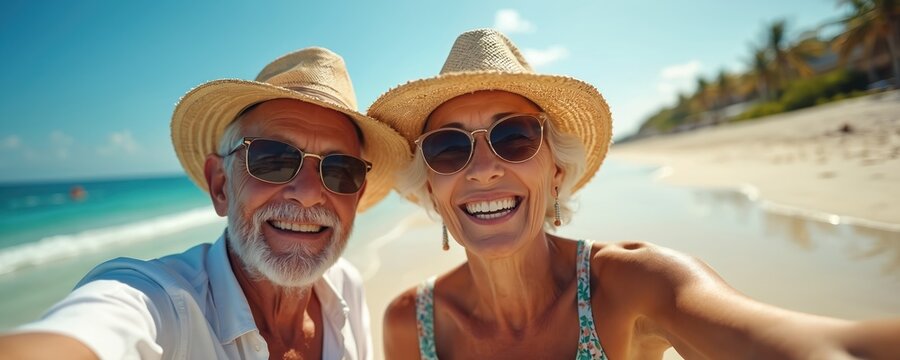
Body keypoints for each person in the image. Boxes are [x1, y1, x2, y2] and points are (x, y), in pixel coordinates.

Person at [369, 29, 900, 359]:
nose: (483, 169)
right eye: (447, 148)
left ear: (556, 170)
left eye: (514, 137)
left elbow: (816, 348)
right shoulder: (409, 326)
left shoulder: (638, 284)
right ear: (431, 189)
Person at [0, 47, 410, 359]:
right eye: (272, 159)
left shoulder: (346, 288)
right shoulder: (161, 304)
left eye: (340, 170)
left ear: (356, 195)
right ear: (219, 184)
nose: (307, 192)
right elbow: (90, 330)